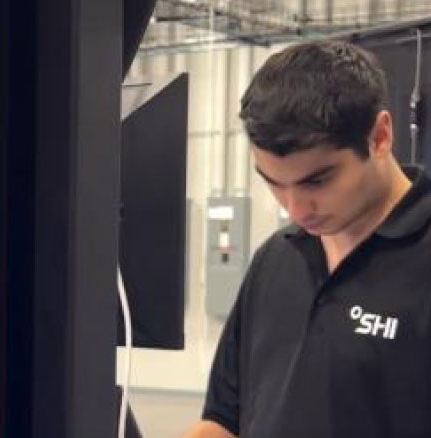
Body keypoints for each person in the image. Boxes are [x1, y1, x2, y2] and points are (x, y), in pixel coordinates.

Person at [183, 40, 431, 438]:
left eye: (318, 180)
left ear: (380, 136)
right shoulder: (277, 258)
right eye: (274, 184)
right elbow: (224, 420)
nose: (295, 209)